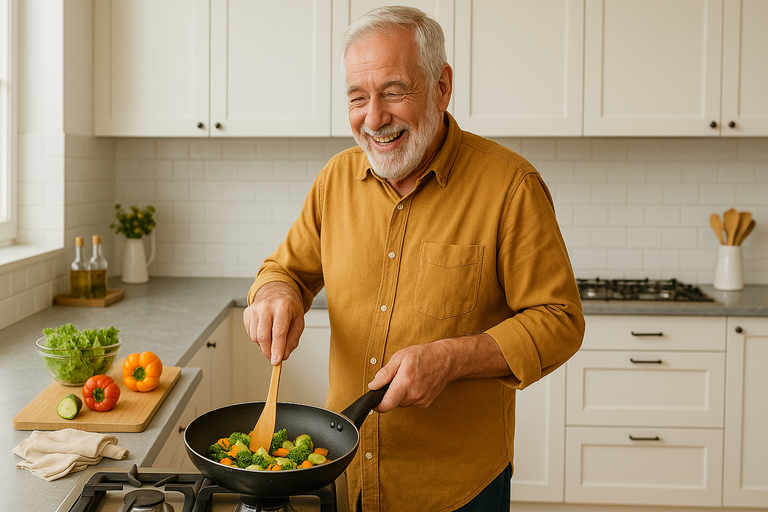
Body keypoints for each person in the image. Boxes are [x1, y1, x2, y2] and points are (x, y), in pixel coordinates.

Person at [243, 6, 584, 512]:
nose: (374, 118)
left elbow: (560, 321)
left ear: (442, 86)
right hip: (349, 472)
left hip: (458, 490)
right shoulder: (335, 181)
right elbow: (285, 270)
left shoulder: (510, 186)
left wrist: (451, 359)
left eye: (394, 92)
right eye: (358, 98)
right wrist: (275, 294)